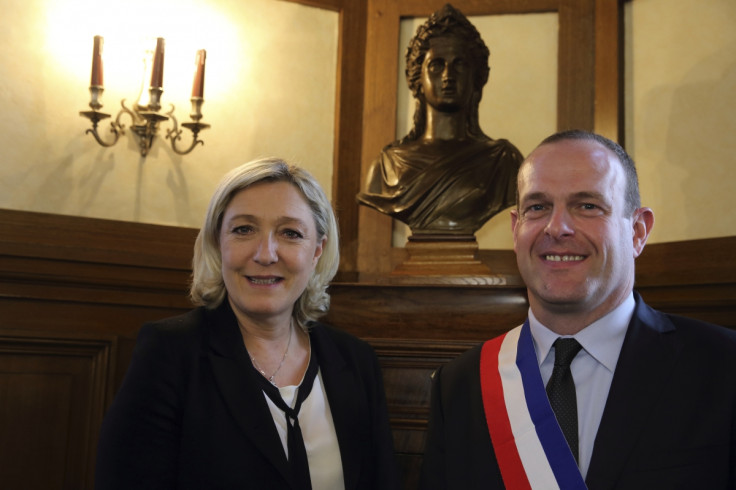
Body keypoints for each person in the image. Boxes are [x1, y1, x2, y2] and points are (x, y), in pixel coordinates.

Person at [419, 130, 736, 489]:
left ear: (637, 232)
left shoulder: (723, 368)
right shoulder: (460, 386)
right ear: (515, 229)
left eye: (587, 206)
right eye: (537, 207)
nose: (557, 228)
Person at [95, 158, 400, 490]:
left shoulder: (356, 361)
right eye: (244, 229)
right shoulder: (169, 352)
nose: (266, 254)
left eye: (290, 233)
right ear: (217, 242)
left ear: (317, 251)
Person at [357, 4, 522, 237]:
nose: (448, 76)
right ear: (417, 77)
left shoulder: (503, 162)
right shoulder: (386, 167)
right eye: (436, 65)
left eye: (460, 65)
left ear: (475, 78)